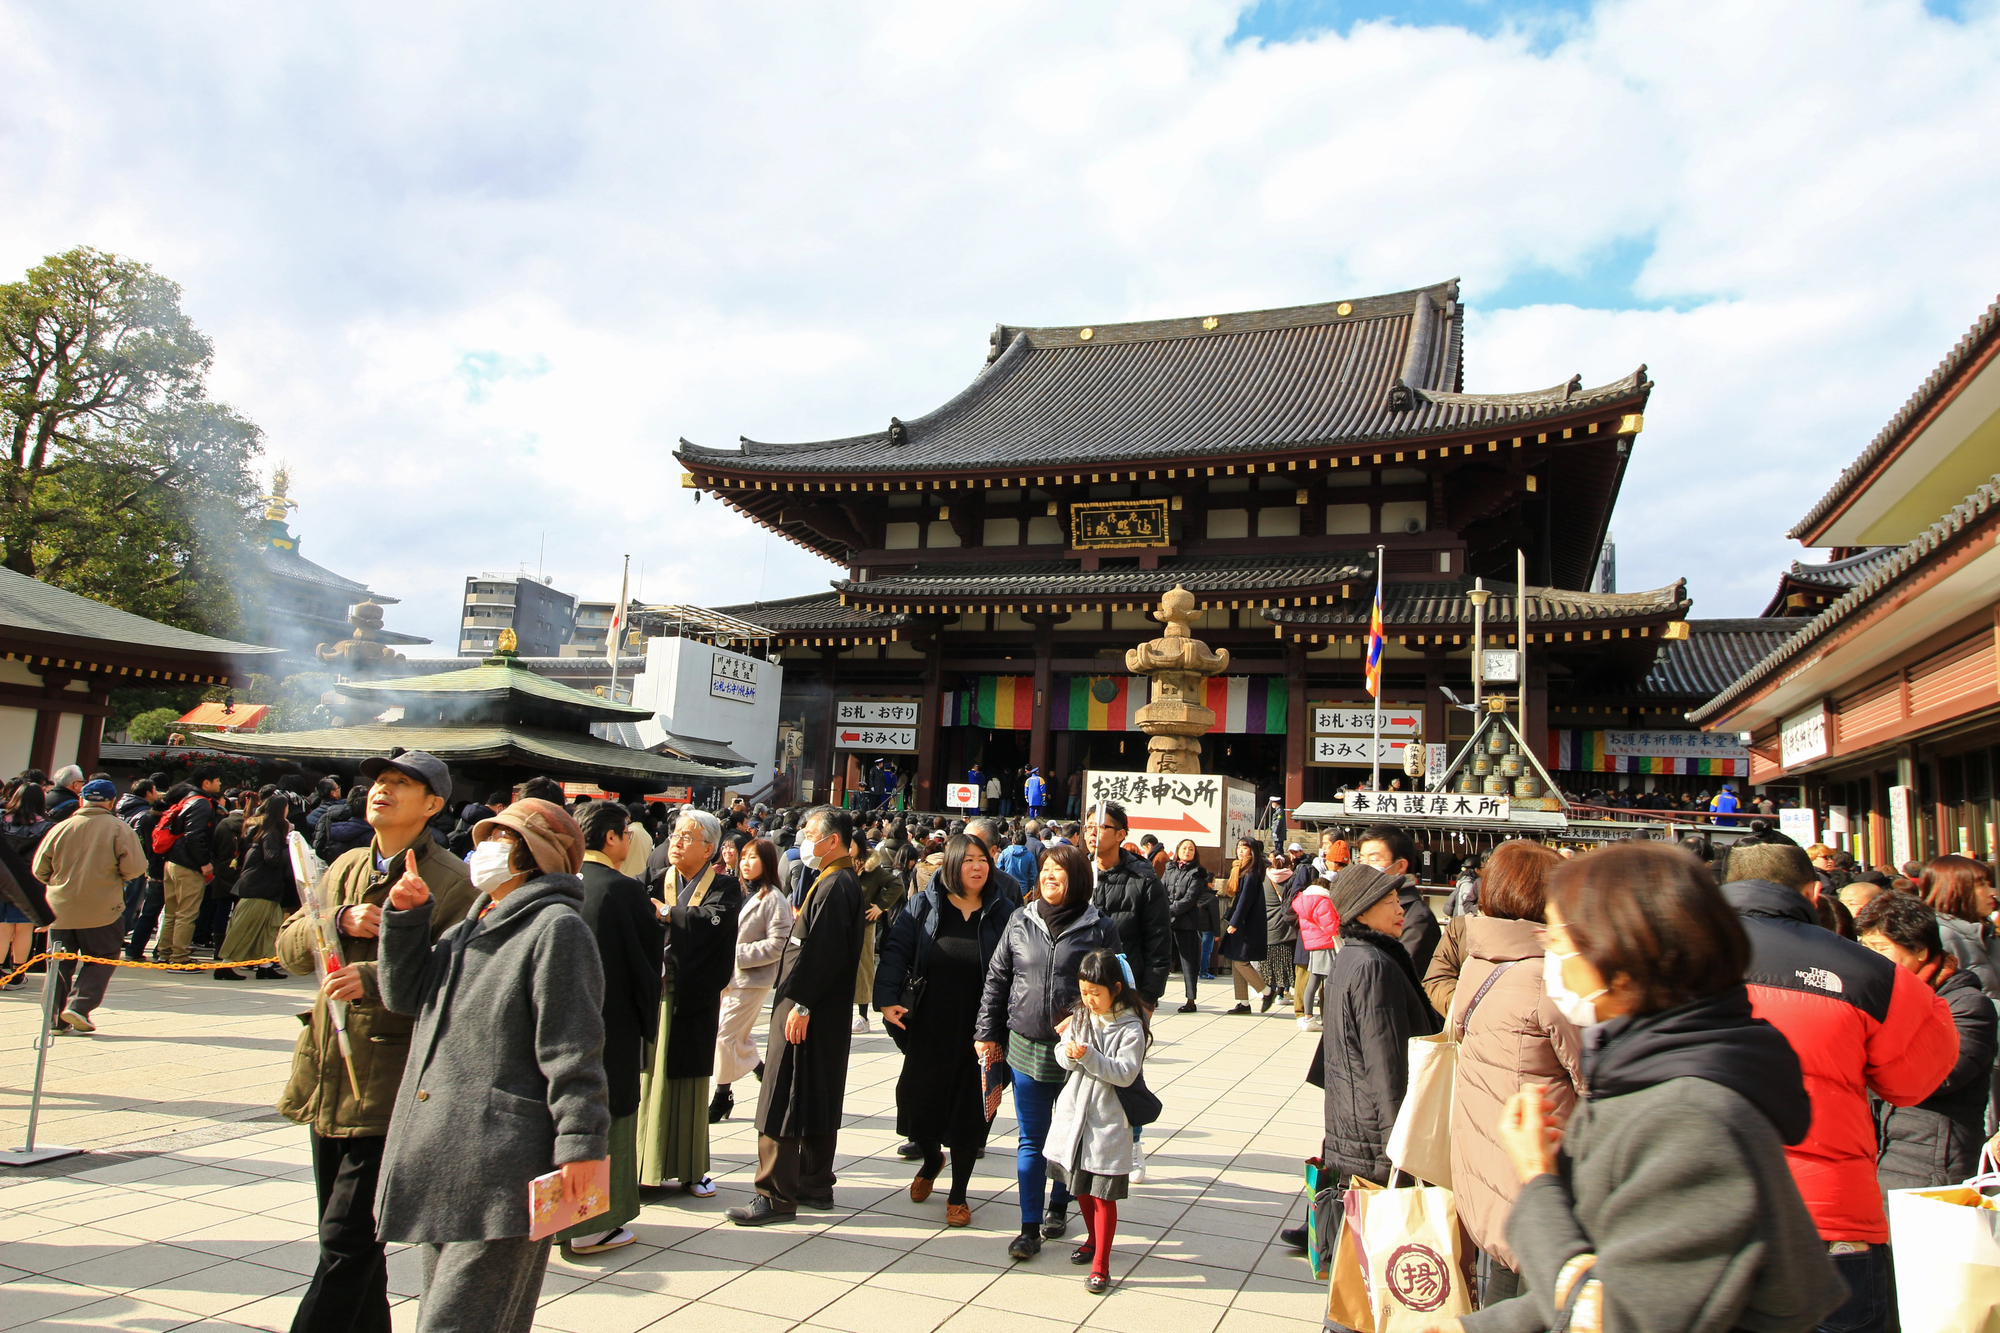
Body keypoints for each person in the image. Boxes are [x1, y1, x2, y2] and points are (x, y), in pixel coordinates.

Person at [1426, 842, 1847, 1333]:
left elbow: (1616, 1312)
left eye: (1561, 940)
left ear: (1621, 958)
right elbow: (1615, 1275)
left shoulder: (1690, 1115)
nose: (1551, 955)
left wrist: (1539, 1182)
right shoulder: (1642, 1072)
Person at [372, 797, 609, 1333]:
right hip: (444, 1150)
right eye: (485, 838)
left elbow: (573, 1048)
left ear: (536, 856)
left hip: (505, 1163)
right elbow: (408, 996)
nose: (484, 850)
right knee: (448, 1312)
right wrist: (406, 918)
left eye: (502, 840)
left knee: (460, 1321)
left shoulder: (555, 928)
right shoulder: (470, 926)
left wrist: (580, 1144)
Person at [276, 749, 478, 1333]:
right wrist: (337, 919)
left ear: (434, 805)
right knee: (344, 1238)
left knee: (347, 1236)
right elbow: (291, 948)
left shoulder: (453, 883)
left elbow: (454, 981)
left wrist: (372, 972)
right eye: (379, 782)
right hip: (331, 1068)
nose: (381, 791)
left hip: (391, 1082)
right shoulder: (341, 867)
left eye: (399, 784)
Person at [1722, 840, 1960, 1331]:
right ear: (1812, 893)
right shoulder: (1869, 972)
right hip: (1827, 1223)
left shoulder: (1660, 961)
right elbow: (1915, 1082)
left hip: (1696, 1218)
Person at [1418, 839, 1577, 1305]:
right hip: (1540, 1160)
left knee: (1504, 1284)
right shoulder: (1550, 976)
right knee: (1539, 1293)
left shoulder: (1482, 957)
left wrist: (1472, 1022)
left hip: (1486, 1149)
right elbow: (1599, 1082)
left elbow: (1440, 984)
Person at [977, 843, 1123, 1260]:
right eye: (1045, 869)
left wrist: (1081, 1020)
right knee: (1031, 1140)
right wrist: (986, 1033)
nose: (1049, 876)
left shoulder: (1100, 927)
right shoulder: (1020, 920)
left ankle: (1058, 1207)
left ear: (1077, 877)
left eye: (1059, 870)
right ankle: (1028, 1227)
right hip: (1025, 1045)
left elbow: (1115, 990)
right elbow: (997, 979)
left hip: (1077, 1050)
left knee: (1071, 1135)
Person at [730, 807, 868, 1226]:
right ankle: (814, 1183)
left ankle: (775, 1194)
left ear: (833, 841)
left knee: (783, 1092)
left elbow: (823, 953)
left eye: (811, 833)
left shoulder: (836, 884)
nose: (805, 840)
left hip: (807, 1006)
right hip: (821, 1007)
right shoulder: (836, 880)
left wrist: (802, 1004)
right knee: (816, 1091)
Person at [877, 832, 1019, 1227]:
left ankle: (958, 1194)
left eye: (983, 860)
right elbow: (896, 950)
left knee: (970, 1113)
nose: (977, 867)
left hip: (981, 1028)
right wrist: (887, 998)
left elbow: (1019, 967)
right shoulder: (925, 904)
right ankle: (931, 1157)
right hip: (931, 1022)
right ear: (952, 864)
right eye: (968, 860)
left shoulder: (1004, 909)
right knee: (915, 1100)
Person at [562, 800, 664, 1255]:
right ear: (610, 838)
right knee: (608, 1116)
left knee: (563, 1116)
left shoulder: (558, 884)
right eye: (626, 833)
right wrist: (649, 1019)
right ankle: (592, 1223)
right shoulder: (623, 890)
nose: (629, 841)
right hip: (610, 1022)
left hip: (557, 1023)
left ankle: (557, 1216)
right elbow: (646, 965)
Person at [1856, 891, 1998, 1193]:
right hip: (1877, 1148)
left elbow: (1939, 1077)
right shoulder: (1881, 998)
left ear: (1919, 950)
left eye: (1880, 949)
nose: (1870, 959)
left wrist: (1860, 1057)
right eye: (1865, 948)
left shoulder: (1965, 1005)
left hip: (1932, 1157)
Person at [637, 808, 742, 1199]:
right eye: (675, 834)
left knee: (689, 1081)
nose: (676, 843)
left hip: (693, 994)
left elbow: (709, 920)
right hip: (655, 991)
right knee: (648, 1078)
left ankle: (691, 1168)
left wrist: (665, 912)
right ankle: (644, 1165)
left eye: (686, 838)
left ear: (709, 849)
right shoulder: (653, 878)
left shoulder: (726, 887)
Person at [1046, 947, 1149, 1295]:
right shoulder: (1081, 1015)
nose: (1089, 1000)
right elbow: (1061, 1053)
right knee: (1081, 1191)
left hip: (1107, 1122)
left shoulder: (1131, 1026)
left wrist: (1088, 1056)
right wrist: (1070, 1053)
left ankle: (1101, 1264)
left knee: (1104, 1194)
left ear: (1115, 989)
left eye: (1096, 994)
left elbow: (1124, 1073)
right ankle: (1091, 1240)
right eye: (1084, 992)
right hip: (1074, 1119)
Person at [31, 778, 146, 1032]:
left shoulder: (61, 827)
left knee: (59, 963)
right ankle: (79, 1005)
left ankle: (55, 1020)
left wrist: (58, 882)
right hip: (102, 907)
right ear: (111, 802)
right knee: (103, 957)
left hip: (59, 909)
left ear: (81, 799)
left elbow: (39, 868)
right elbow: (136, 867)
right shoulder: (119, 828)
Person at [713, 837, 792, 1122]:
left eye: (752, 858)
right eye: (743, 857)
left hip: (751, 978)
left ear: (767, 862)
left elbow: (778, 943)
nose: (745, 863)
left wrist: (737, 953)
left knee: (725, 1036)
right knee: (733, 1037)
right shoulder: (740, 890)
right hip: (728, 977)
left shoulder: (774, 899)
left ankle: (722, 1096)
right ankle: (761, 1072)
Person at [1081, 801, 1172, 1015]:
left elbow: (1159, 941)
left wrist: (1148, 998)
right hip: (1079, 990)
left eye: (1102, 827)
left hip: (1124, 991)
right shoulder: (1077, 872)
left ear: (1121, 834)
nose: (1093, 833)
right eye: (1089, 827)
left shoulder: (1143, 880)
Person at [213, 796, 297, 981]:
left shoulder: (260, 829)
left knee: (269, 927)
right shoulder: (272, 831)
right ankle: (225, 965)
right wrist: (290, 847)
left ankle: (265, 965)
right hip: (260, 887)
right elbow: (272, 858)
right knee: (244, 928)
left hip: (265, 887)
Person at [158, 766, 224, 965]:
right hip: (188, 864)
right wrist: (204, 862)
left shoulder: (187, 799)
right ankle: (179, 957)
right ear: (206, 783)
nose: (220, 784)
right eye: (217, 780)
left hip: (173, 861)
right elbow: (195, 835)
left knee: (172, 911)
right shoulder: (202, 804)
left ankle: (165, 953)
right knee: (187, 913)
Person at [1357, 825, 1441, 975]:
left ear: (1400, 865)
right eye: (1362, 859)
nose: (1365, 867)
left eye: (1374, 859)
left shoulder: (1417, 919)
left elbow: (1397, 978)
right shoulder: (1365, 907)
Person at [1919, 854, 2000, 997]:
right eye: (1982, 885)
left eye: (1990, 884)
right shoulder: (1941, 935)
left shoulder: (1986, 932)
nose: (1992, 892)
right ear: (1955, 889)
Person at [852, 837, 905, 1033]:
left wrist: (881, 906)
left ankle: (863, 1015)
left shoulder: (872, 868)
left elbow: (896, 886)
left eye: (851, 844)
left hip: (864, 925)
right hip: (841, 923)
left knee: (863, 968)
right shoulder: (840, 864)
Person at [1221, 837, 1271, 1015]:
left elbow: (1245, 900)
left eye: (1245, 848)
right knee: (1236, 959)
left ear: (1252, 851)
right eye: (1239, 847)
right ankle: (1243, 1002)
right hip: (1241, 921)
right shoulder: (1241, 869)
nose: (1240, 851)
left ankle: (1266, 991)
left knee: (1241, 960)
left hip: (1246, 923)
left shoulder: (1251, 873)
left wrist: (1235, 922)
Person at [1162, 838, 1211, 1014]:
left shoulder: (1197, 873)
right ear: (1178, 850)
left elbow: (1190, 899)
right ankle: (1155, 995)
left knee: (1188, 962)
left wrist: (1170, 911)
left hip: (1187, 923)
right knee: (1162, 960)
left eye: (1190, 849)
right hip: (1168, 923)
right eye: (1184, 848)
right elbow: (1162, 890)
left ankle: (1191, 999)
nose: (1187, 851)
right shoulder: (1170, 868)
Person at [1291, 861, 1338, 1033]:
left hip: (1312, 944)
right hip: (1325, 943)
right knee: (1327, 982)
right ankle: (1325, 1018)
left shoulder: (1305, 899)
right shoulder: (1323, 901)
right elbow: (1332, 926)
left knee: (1314, 980)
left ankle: (1308, 1016)